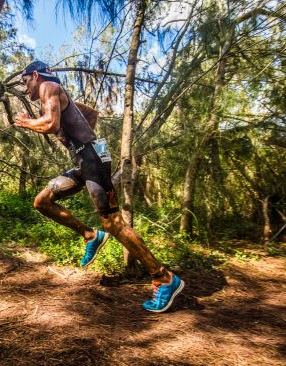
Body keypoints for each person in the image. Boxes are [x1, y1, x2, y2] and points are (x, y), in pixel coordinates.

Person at [14, 61, 184, 313]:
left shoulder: (48, 86)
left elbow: (50, 124)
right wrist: (83, 140)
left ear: (35, 76)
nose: (24, 86)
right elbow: (91, 114)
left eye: (25, 80)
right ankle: (91, 236)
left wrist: (26, 123)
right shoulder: (56, 95)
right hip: (87, 158)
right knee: (42, 202)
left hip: (92, 158)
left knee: (113, 222)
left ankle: (164, 277)